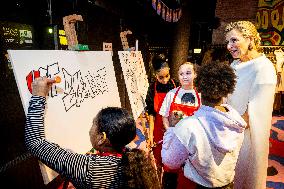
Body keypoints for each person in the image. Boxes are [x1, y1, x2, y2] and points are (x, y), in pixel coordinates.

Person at [25, 77, 161, 189]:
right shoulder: (131, 157)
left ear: (102, 138)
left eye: (93, 124)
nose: (90, 129)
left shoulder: (89, 169)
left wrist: (38, 96)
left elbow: (35, 143)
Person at [161, 61, 247, 188]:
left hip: (198, 184)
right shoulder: (235, 120)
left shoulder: (188, 126)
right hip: (227, 183)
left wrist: (172, 131)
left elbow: (170, 161)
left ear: (199, 84)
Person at [225, 21, 277, 189]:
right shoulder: (234, 64)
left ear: (250, 39)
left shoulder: (264, 68)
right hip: (229, 131)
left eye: (233, 40)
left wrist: (225, 125)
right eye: (227, 42)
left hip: (246, 136)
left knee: (244, 176)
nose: (229, 46)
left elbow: (255, 113)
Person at [159, 62, 200, 189]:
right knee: (170, 177)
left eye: (188, 73)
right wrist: (170, 132)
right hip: (174, 142)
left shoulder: (200, 95)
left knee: (190, 178)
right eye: (181, 74)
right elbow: (164, 116)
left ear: (195, 74)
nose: (185, 77)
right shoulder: (171, 94)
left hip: (193, 145)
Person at [145, 54, 178, 175]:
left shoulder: (176, 85)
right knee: (159, 157)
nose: (165, 80)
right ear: (155, 75)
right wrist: (150, 135)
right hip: (158, 129)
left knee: (173, 157)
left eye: (167, 76)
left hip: (175, 126)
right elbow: (151, 114)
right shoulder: (152, 88)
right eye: (161, 77)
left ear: (169, 71)